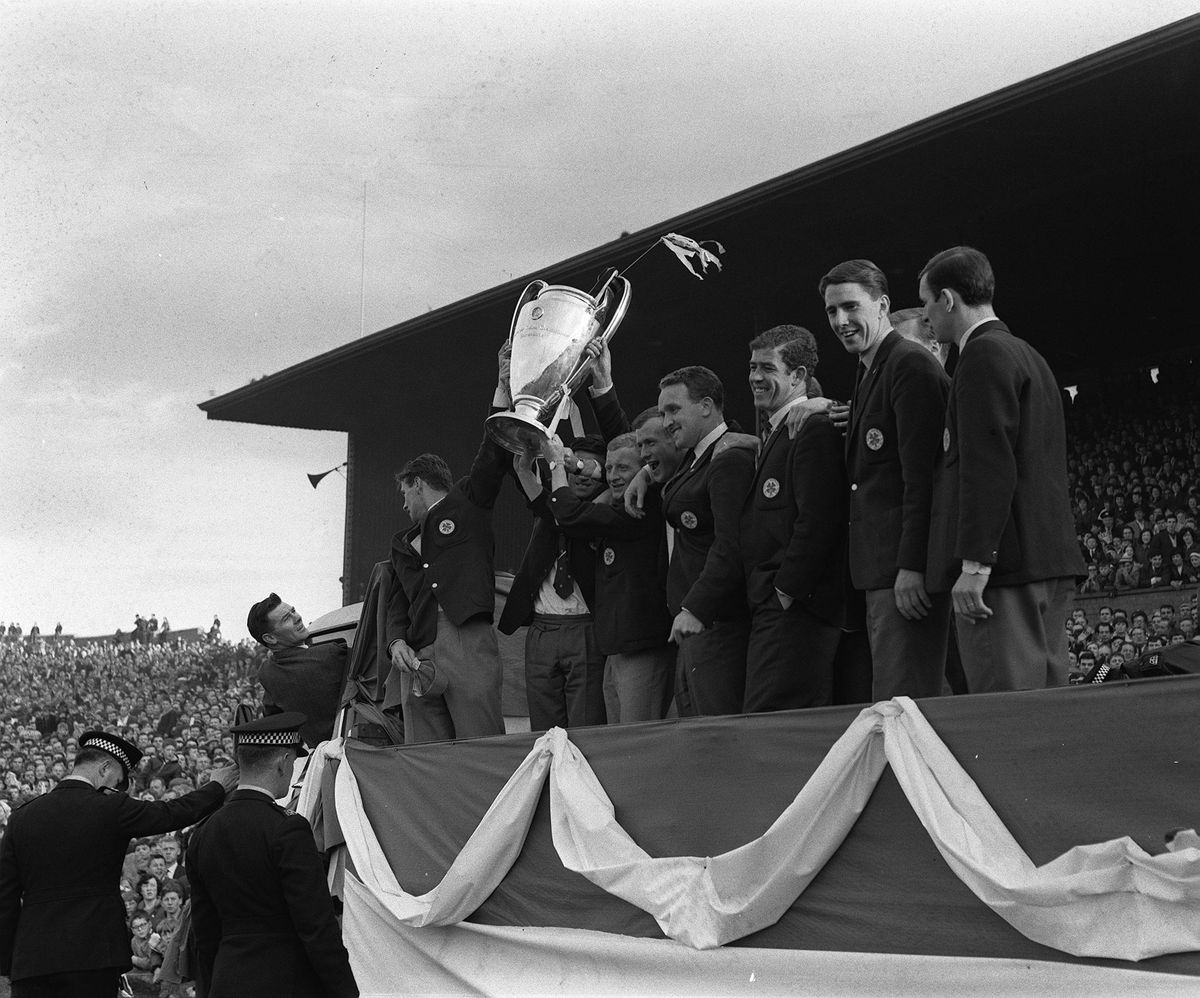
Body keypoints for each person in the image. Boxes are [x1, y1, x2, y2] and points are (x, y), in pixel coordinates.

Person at [920, 246, 1085, 691]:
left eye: (927, 302)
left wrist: (975, 563)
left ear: (948, 299)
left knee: (1007, 713)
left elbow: (987, 464)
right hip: (1046, 559)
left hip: (1004, 569)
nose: (926, 316)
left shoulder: (981, 355)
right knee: (1048, 706)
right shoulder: (1027, 354)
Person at [0, 730, 236, 997]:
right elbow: (172, 813)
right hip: (94, 956)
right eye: (117, 781)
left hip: (32, 961)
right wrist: (216, 788)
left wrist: (11, 960)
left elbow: (5, 898)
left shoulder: (21, 818)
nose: (115, 789)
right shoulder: (110, 808)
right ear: (104, 768)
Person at [820, 260, 952, 699]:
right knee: (896, 699)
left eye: (851, 306)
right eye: (831, 311)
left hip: (903, 573)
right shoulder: (870, 368)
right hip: (880, 571)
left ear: (883, 306)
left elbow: (924, 478)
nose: (841, 321)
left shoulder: (908, 365)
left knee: (904, 702)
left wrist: (912, 565)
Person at [721, 326, 853, 711]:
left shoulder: (812, 428)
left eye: (767, 368)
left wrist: (785, 591)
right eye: (751, 367)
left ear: (798, 377)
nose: (755, 377)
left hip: (796, 609)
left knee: (776, 722)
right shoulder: (778, 430)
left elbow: (819, 520)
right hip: (776, 605)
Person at [500, 343, 629, 731]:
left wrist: (565, 461)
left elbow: (622, 450)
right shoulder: (556, 509)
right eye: (571, 471)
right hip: (540, 629)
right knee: (544, 734)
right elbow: (546, 501)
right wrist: (511, 391)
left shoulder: (608, 511)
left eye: (588, 471)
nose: (576, 477)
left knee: (585, 729)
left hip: (587, 627)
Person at [186, 712, 358, 998]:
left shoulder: (203, 834)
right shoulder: (288, 829)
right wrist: (346, 992)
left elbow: (204, 934)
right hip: (286, 982)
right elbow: (316, 926)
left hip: (227, 982)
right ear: (283, 762)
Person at [385, 401, 509, 743]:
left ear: (419, 483)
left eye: (405, 493)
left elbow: (492, 455)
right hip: (417, 651)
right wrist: (395, 642)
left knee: (479, 743)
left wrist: (501, 394)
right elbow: (396, 601)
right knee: (425, 752)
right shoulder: (402, 543)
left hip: (466, 637)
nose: (404, 503)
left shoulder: (467, 505)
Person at [532, 430, 674, 724]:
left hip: (642, 645)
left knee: (637, 744)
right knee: (618, 743)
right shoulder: (617, 504)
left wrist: (558, 465)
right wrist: (580, 468)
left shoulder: (639, 510)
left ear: (644, 471)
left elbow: (569, 514)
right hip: (615, 648)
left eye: (623, 468)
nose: (613, 476)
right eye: (608, 468)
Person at [657, 366, 755, 715]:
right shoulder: (695, 457)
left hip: (716, 623)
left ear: (706, 406)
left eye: (673, 410)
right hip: (695, 626)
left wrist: (696, 607)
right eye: (662, 412)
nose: (666, 421)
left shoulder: (728, 459)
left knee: (717, 735)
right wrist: (643, 474)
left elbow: (730, 544)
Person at [248, 595, 347, 748]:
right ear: (270, 638)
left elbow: (273, 720)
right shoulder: (332, 654)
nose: (298, 618)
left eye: (293, 611)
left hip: (323, 757)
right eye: (287, 618)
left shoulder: (268, 672)